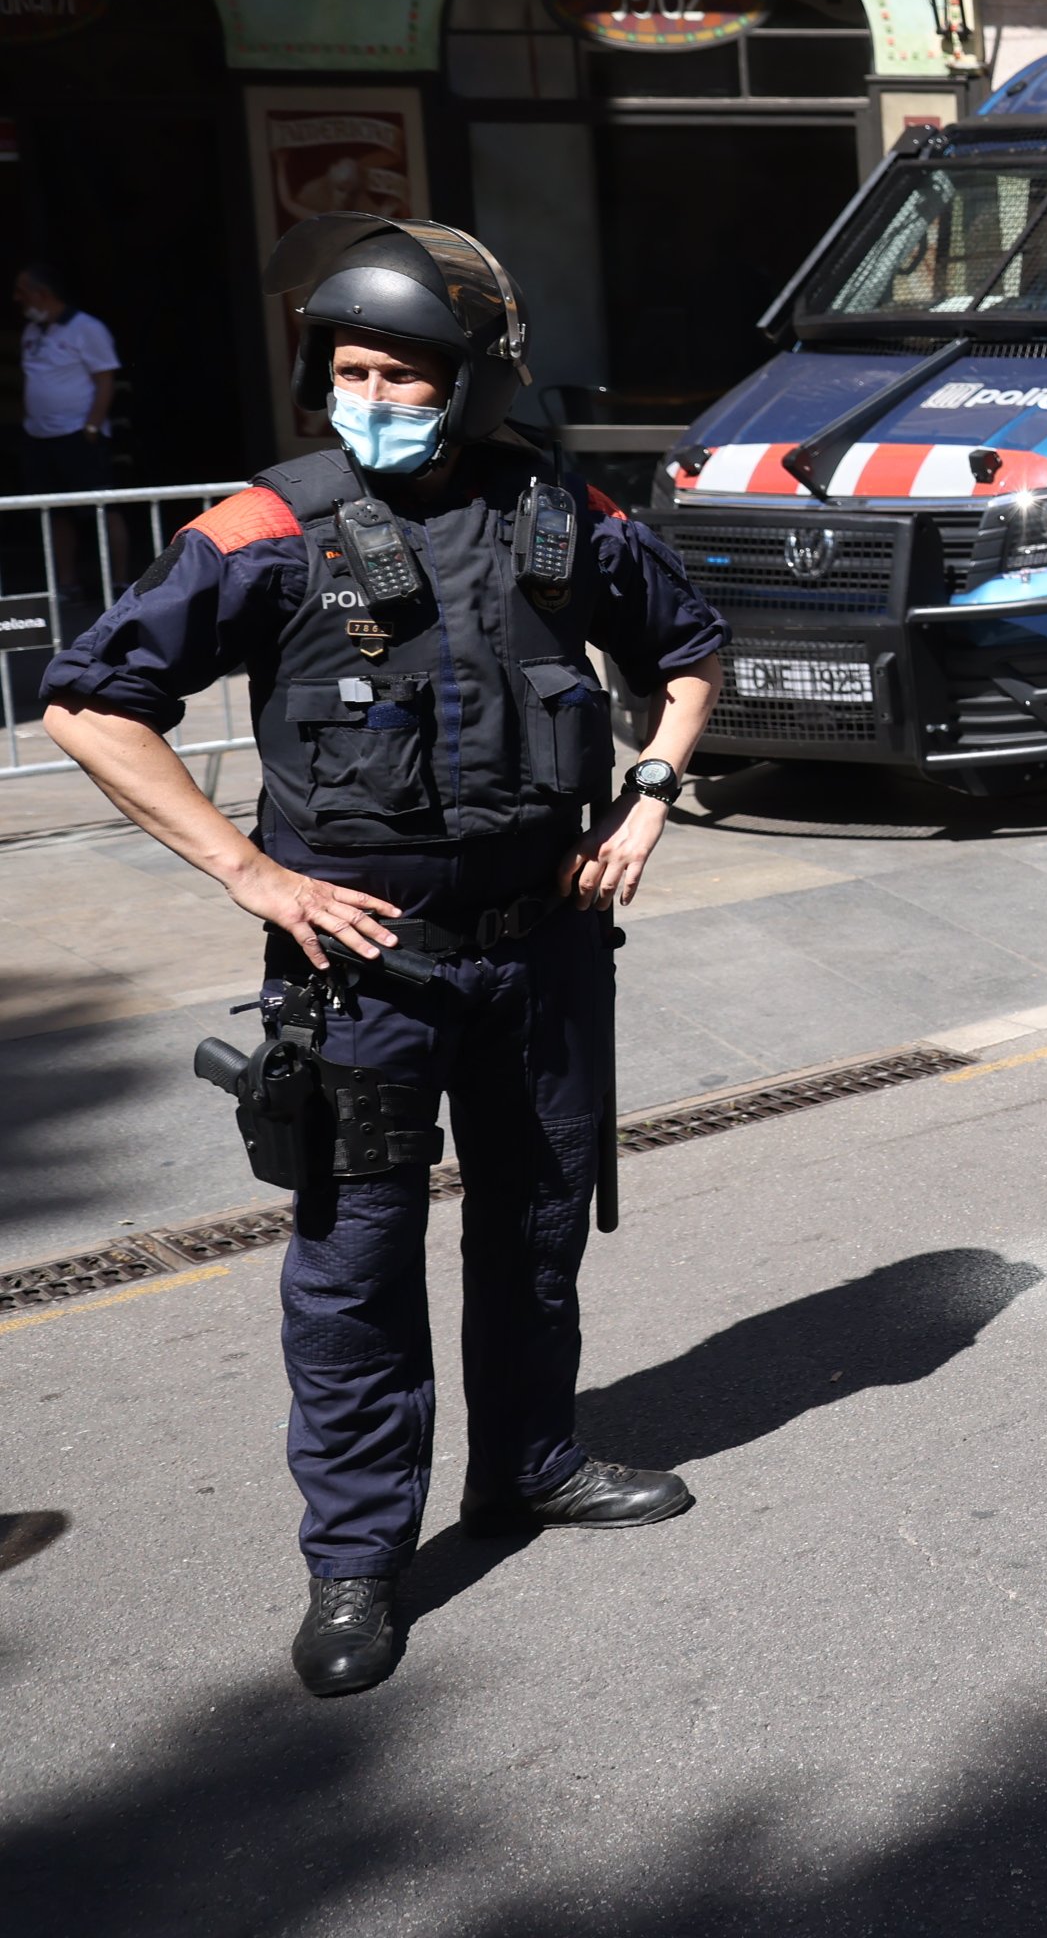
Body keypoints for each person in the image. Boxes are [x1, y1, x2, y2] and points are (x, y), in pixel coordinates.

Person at [38, 216, 728, 1699]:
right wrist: (252, 872)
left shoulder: (565, 514)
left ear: (475, 383)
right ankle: (356, 1561)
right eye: (348, 370)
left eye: (404, 375)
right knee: (354, 1275)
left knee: (537, 1237)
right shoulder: (267, 526)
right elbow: (91, 704)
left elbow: (690, 653)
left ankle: (530, 1470)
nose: (372, 395)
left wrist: (653, 795)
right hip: (363, 982)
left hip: (543, 958)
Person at [16, 261, 119, 493]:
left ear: (42, 293)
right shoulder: (31, 330)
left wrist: (92, 428)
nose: (16, 298)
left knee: (100, 504)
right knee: (52, 510)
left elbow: (105, 379)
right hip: (38, 435)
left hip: (77, 433)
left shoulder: (87, 327)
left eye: (22, 291)